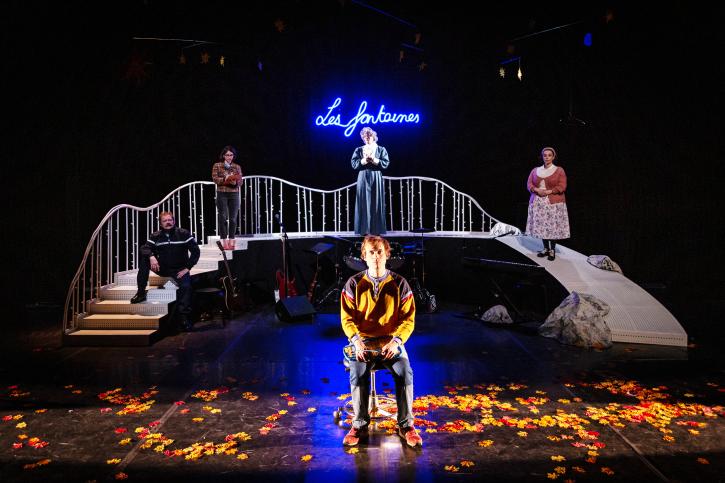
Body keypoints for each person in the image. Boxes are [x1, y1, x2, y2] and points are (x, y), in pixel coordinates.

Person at [340, 235, 422, 448]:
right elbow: (347, 319)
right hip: (363, 341)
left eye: (379, 252)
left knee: (405, 371)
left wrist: (397, 341)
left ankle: (406, 426)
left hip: (390, 341)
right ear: (364, 256)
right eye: (371, 252)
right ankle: (359, 425)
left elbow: (408, 320)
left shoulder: (400, 284)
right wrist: (356, 341)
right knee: (358, 372)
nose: (376, 256)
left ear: (387, 255)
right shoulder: (353, 283)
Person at [130, 211, 201, 331]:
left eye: (170, 220)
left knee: (186, 287)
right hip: (162, 268)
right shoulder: (156, 236)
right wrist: (151, 256)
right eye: (165, 221)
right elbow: (144, 248)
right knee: (145, 259)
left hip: (179, 270)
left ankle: (183, 318)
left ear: (174, 221)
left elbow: (196, 251)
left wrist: (187, 268)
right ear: (161, 224)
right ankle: (141, 293)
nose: (168, 222)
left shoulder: (183, 233)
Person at [526, 147, 570, 261]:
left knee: (551, 227)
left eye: (549, 155)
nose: (547, 157)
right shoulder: (535, 170)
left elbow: (562, 186)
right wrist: (536, 190)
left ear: (553, 157)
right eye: (545, 155)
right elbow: (529, 184)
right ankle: (545, 248)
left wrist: (549, 191)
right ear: (542, 157)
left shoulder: (559, 170)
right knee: (542, 227)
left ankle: (552, 250)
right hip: (538, 202)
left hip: (553, 203)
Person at [351, 127, 389, 235]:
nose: (366, 138)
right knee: (363, 201)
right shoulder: (359, 150)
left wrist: (374, 160)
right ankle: (364, 229)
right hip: (363, 176)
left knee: (376, 201)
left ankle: (376, 229)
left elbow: (385, 163)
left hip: (376, 176)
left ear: (373, 136)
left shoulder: (381, 149)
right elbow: (354, 164)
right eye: (364, 137)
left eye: (368, 136)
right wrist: (364, 160)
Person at [212, 145, 243, 250]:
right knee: (223, 217)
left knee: (233, 219)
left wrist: (235, 182)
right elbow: (215, 179)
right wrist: (225, 179)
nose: (229, 157)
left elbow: (240, 182)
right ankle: (224, 241)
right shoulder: (217, 165)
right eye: (227, 155)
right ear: (223, 156)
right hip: (222, 193)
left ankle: (232, 240)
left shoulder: (237, 167)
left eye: (231, 155)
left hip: (234, 194)